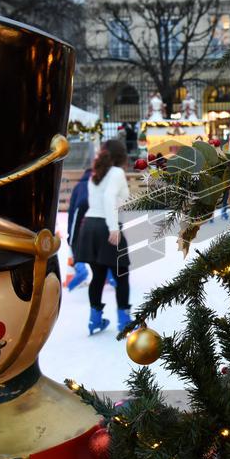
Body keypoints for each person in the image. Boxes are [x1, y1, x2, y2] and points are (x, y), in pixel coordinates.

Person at [73, 139, 132, 334]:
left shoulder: (95, 174)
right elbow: (109, 197)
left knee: (98, 275)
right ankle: (124, 321)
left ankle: (94, 319)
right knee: (121, 275)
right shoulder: (117, 173)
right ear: (121, 154)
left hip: (89, 227)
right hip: (106, 226)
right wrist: (113, 228)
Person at [65, 167, 92, 291]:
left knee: (75, 243)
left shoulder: (79, 187)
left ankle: (81, 270)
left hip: (80, 220)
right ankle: (112, 276)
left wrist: (70, 235)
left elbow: (72, 213)